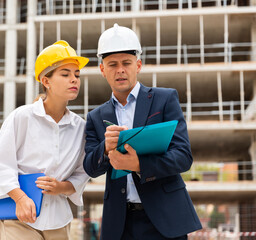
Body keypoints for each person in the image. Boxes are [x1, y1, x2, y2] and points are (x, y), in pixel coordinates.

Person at [83, 24, 202, 240]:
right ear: (102, 69)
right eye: (112, 65)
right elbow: (90, 167)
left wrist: (139, 165)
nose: (120, 70)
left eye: (126, 63)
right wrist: (105, 148)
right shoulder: (95, 117)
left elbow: (183, 156)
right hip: (120, 223)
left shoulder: (164, 99)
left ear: (138, 65)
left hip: (165, 219)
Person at [0, 40, 90, 240]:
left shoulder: (80, 127)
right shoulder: (21, 117)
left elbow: (82, 173)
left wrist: (61, 187)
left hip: (58, 220)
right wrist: (21, 198)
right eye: (65, 74)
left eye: (77, 75)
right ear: (46, 81)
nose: (74, 80)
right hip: (18, 215)